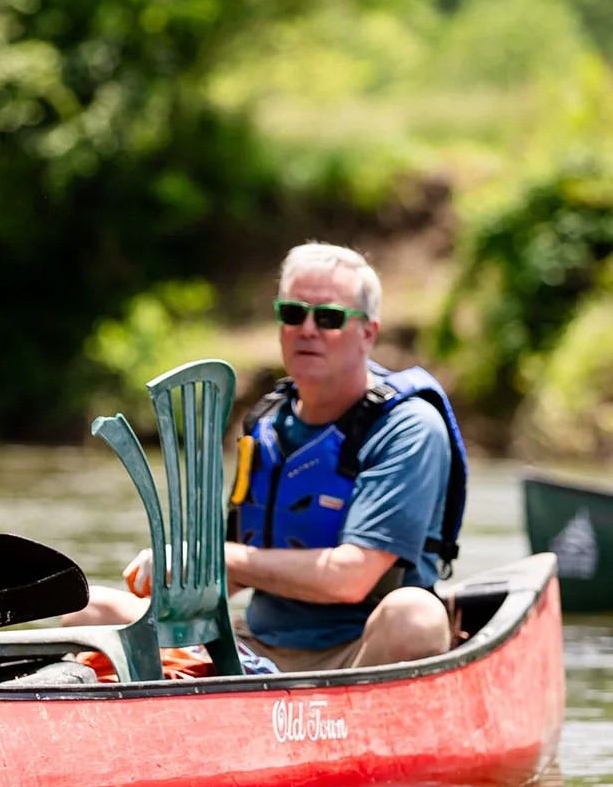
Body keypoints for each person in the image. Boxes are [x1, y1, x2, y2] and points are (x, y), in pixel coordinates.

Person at [76, 242, 467, 672]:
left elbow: (350, 577)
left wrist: (217, 557)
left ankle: (335, 725)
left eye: (330, 317)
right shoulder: (265, 424)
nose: (308, 329)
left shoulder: (409, 428)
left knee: (416, 615)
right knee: (88, 609)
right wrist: (183, 568)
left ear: (368, 333)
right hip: (255, 646)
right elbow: (240, 567)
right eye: (293, 314)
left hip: (358, 655)